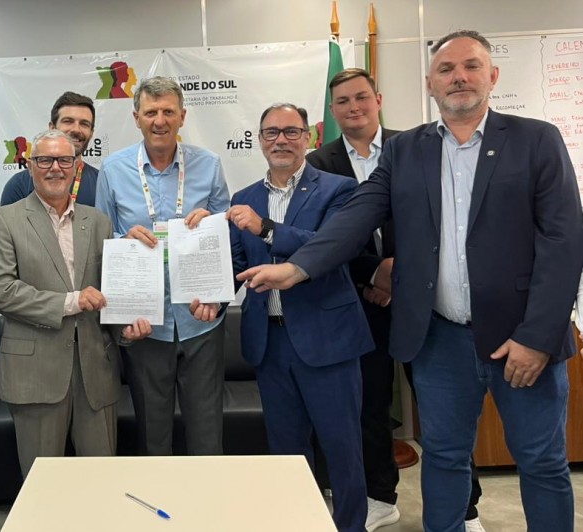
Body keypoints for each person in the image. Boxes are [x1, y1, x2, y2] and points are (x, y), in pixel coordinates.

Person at [239, 30, 583, 532]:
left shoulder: (536, 140)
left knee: (542, 461)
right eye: (446, 70)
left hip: (519, 339)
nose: (458, 77)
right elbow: (356, 218)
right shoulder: (406, 152)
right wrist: (297, 266)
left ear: (493, 76)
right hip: (439, 339)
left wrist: (537, 336)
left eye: (470, 66)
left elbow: (564, 242)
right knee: (443, 458)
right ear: (429, 83)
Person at [307, 67, 485, 531]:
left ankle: (466, 509)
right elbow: (325, 232)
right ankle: (380, 497)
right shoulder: (319, 162)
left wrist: (401, 272)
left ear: (378, 99)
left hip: (426, 302)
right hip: (359, 304)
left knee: (444, 408)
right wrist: (373, 272)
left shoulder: (419, 144)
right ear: (333, 110)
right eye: (342, 101)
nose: (353, 107)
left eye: (361, 97)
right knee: (369, 406)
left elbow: (445, 218)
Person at [228, 103, 371, 532]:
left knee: (342, 448)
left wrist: (266, 228)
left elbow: (332, 245)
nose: (281, 141)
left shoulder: (339, 189)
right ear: (259, 139)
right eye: (271, 132)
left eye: (291, 132)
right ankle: (298, 523)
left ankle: (351, 527)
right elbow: (235, 262)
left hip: (328, 341)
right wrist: (210, 298)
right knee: (287, 453)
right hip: (270, 344)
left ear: (308, 137)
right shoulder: (243, 198)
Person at [0, 130, 151, 477]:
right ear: (30, 166)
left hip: (96, 370)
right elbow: (2, 291)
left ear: (77, 167)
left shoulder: (99, 221)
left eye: (64, 160)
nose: (54, 168)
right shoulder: (6, 219)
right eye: (44, 160)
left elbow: (111, 291)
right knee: (41, 484)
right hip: (36, 373)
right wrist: (71, 301)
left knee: (101, 481)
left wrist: (127, 329)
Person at [96, 76, 230, 456]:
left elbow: (226, 244)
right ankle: (161, 512)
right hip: (144, 325)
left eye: (168, 111)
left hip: (201, 319)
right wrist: (124, 243)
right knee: (153, 436)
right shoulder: (113, 169)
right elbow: (102, 246)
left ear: (182, 116)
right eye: (151, 112)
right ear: (136, 117)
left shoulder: (210, 165)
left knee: (207, 433)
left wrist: (212, 224)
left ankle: (207, 511)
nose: (160, 120)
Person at [0, 91, 100, 206]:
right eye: (68, 121)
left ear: (91, 133)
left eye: (84, 124)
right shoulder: (19, 185)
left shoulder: (100, 184)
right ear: (52, 128)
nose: (76, 129)